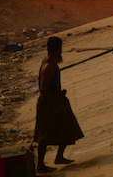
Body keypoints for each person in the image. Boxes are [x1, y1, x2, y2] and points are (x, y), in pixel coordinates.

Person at [34, 36, 84, 174]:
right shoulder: (48, 66)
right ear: (58, 49)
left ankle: (59, 157)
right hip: (48, 105)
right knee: (44, 135)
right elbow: (43, 90)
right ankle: (40, 165)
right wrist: (56, 105)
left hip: (56, 101)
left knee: (68, 127)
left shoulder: (51, 63)